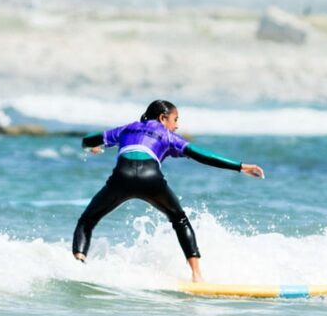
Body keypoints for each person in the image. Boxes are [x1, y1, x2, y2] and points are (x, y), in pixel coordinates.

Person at [72, 99, 265, 283]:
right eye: (175, 120)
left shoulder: (126, 128)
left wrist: (93, 147)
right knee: (179, 220)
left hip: (121, 178)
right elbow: (202, 155)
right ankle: (197, 275)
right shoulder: (168, 135)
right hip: (151, 179)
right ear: (163, 118)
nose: (177, 126)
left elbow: (87, 140)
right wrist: (240, 166)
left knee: (86, 221)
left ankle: (78, 267)